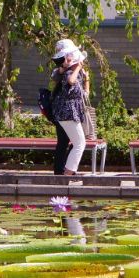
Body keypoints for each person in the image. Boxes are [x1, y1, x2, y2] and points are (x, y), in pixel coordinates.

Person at [50, 38, 89, 176]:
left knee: (73, 142)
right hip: (66, 113)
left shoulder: (73, 73)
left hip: (67, 113)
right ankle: (66, 173)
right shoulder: (65, 72)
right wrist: (76, 66)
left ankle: (66, 171)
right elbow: (63, 78)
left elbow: (83, 95)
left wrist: (86, 78)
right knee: (75, 143)